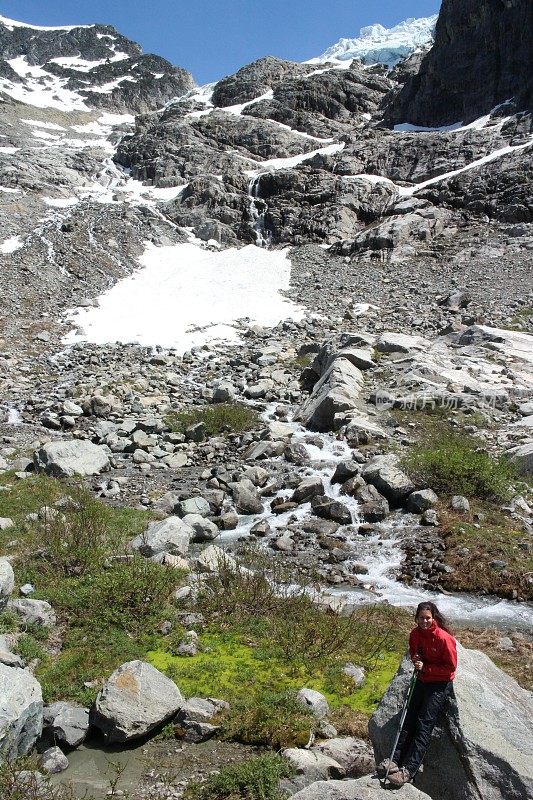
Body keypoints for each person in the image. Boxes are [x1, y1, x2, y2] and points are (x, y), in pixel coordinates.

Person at [377, 601, 457, 787]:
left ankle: (409, 770)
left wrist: (426, 668)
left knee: (424, 725)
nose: (424, 621)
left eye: (428, 618)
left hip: (439, 684)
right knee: (408, 718)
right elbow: (414, 652)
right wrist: (417, 659)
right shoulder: (415, 634)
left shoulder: (445, 638)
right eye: (421, 618)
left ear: (434, 617)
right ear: (417, 618)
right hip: (421, 680)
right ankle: (394, 760)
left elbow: (451, 668)